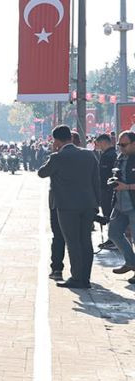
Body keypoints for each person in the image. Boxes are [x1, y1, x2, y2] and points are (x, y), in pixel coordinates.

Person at [38, 124, 102, 289]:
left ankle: (76, 278)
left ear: (56, 140)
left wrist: (54, 152)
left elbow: (41, 173)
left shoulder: (57, 157)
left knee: (73, 242)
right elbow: (96, 181)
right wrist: (97, 205)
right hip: (88, 204)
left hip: (67, 207)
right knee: (85, 241)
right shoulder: (89, 155)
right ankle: (85, 278)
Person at [106, 131, 135, 282]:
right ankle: (131, 262)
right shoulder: (120, 157)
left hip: (132, 203)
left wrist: (128, 186)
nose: (121, 148)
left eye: (124, 145)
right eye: (119, 144)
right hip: (119, 203)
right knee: (113, 233)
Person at [95, 133, 118, 248]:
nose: (97, 146)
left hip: (109, 190)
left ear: (103, 142)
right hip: (106, 190)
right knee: (107, 213)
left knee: (109, 214)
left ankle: (113, 239)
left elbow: (108, 174)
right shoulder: (107, 154)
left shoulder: (110, 155)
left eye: (98, 143)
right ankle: (111, 238)